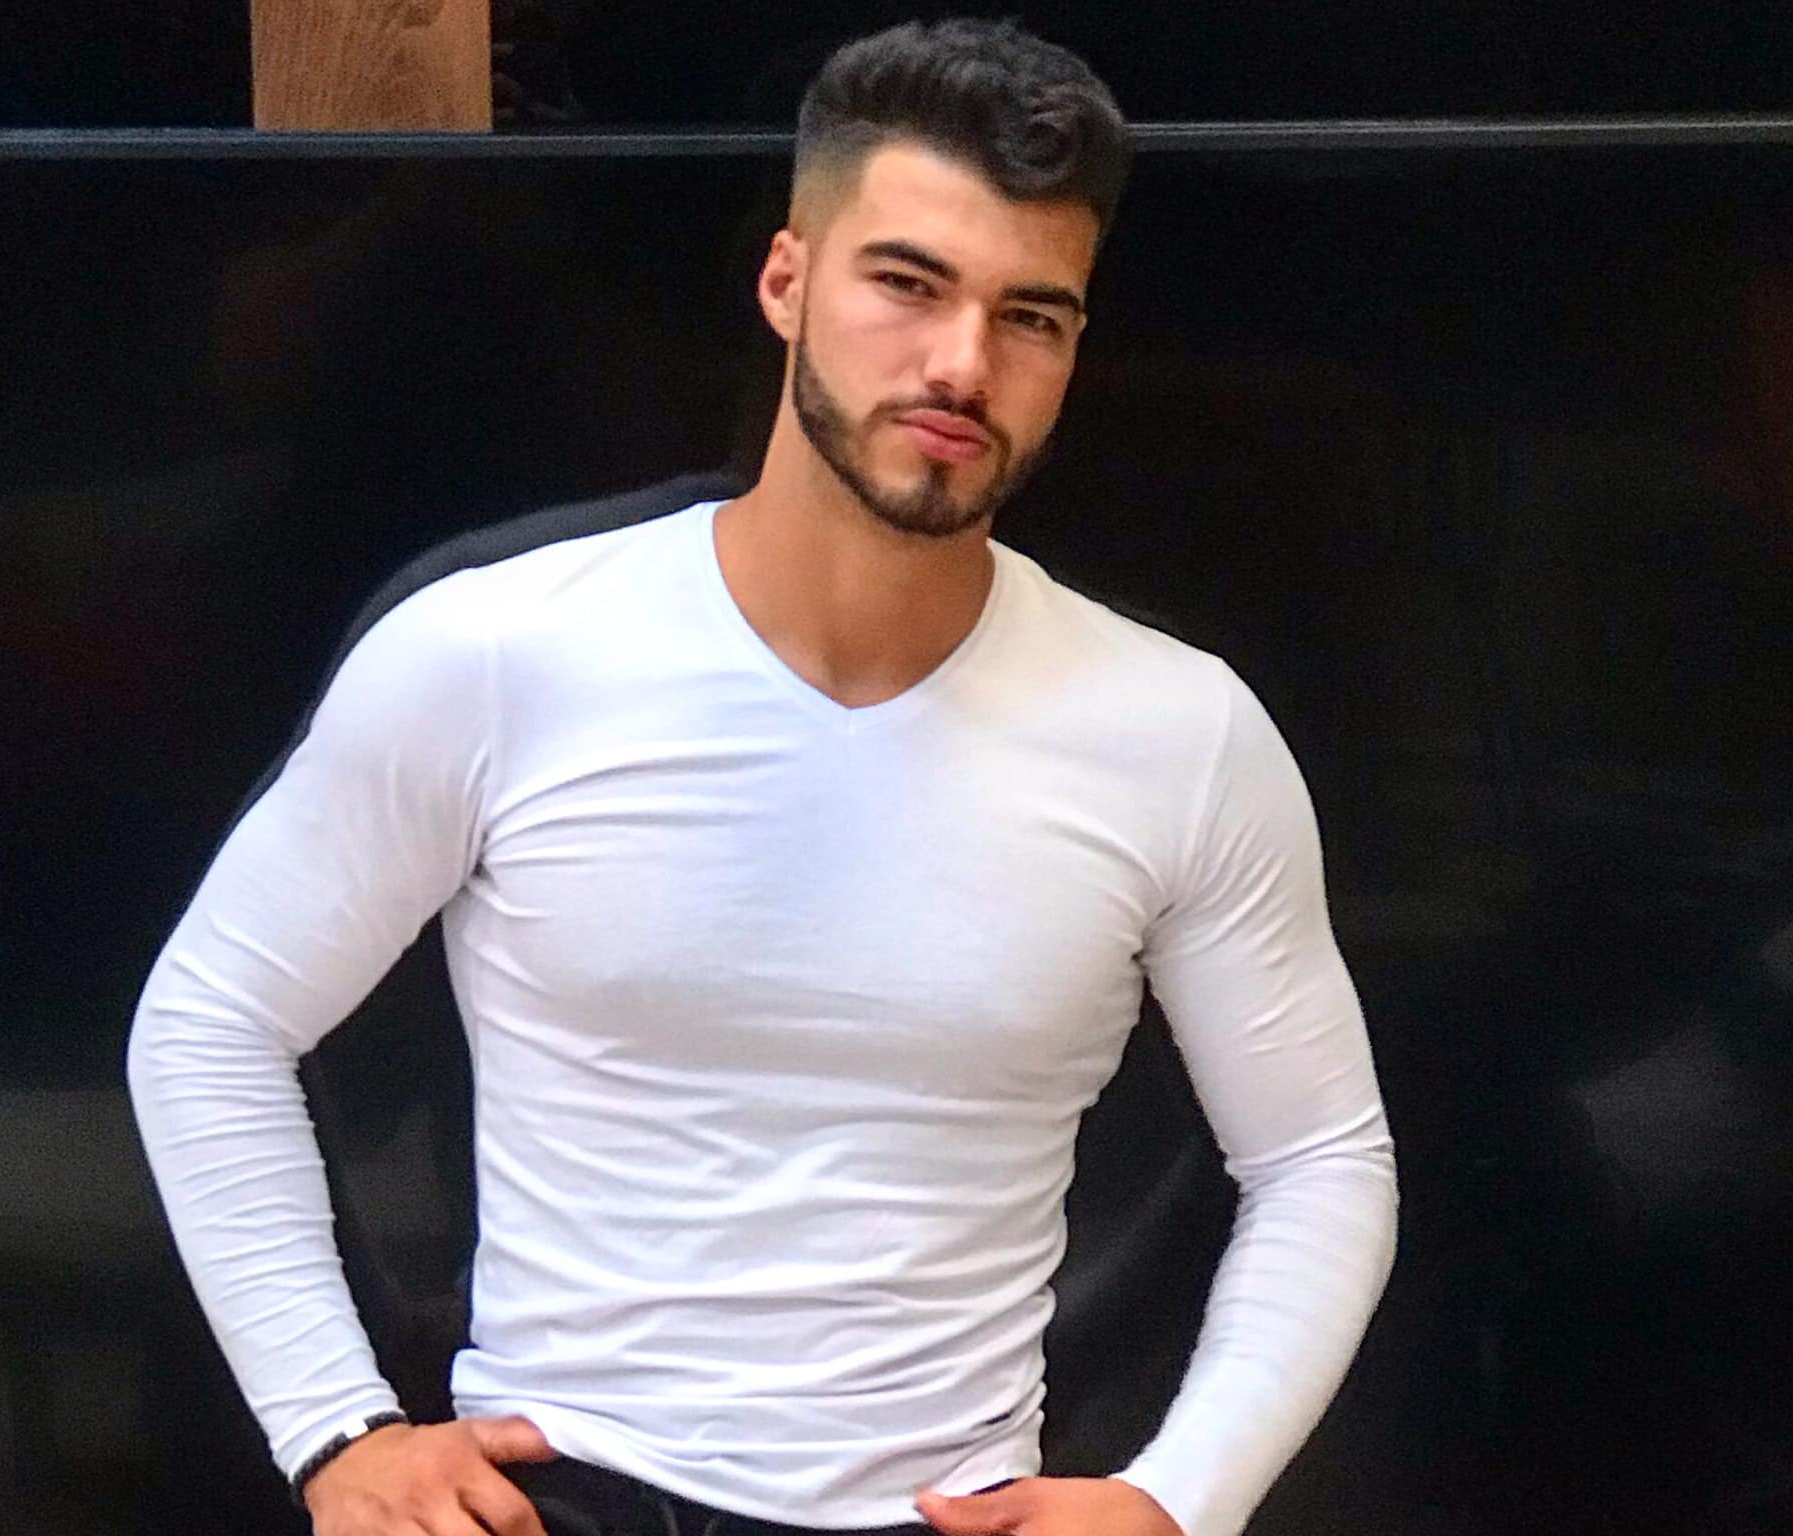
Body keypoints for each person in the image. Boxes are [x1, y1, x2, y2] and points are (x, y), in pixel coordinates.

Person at [126, 18, 1399, 1536]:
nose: (961, 363)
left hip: (945, 1505)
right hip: (564, 1493)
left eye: (1030, 315)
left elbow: (1322, 1158)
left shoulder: (1178, 733)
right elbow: (212, 1023)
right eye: (907, 283)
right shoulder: (501, 653)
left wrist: (1178, 1501)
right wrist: (338, 1433)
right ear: (786, 281)